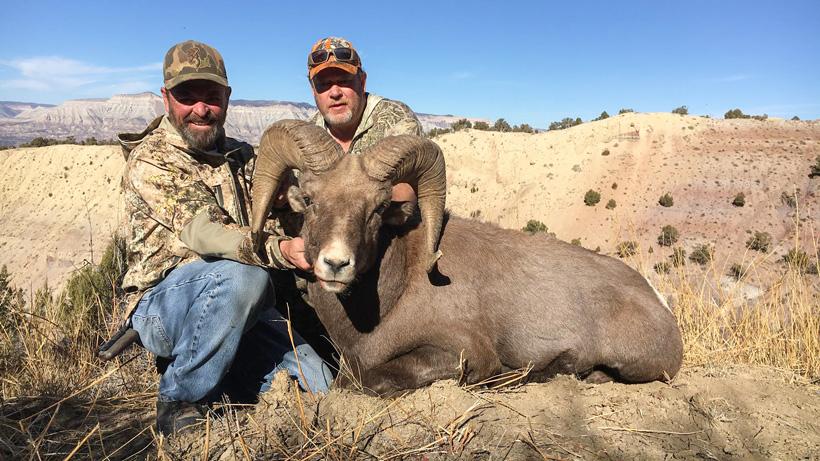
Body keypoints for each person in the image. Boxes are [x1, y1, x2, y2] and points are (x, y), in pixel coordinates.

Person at [117, 40, 332, 437]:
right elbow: (205, 234)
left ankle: (227, 373)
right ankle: (180, 399)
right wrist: (281, 249)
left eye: (211, 96)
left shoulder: (243, 156)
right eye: (187, 96)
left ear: (227, 98)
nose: (201, 109)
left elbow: (288, 206)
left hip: (243, 307)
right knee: (244, 277)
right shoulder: (152, 159)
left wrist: (295, 203)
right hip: (166, 304)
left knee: (322, 390)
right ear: (166, 98)